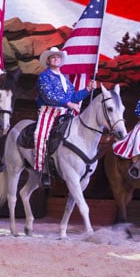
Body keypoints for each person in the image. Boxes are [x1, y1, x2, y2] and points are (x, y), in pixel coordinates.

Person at [33, 47, 96, 187]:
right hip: (49, 111)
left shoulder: (65, 80)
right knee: (40, 135)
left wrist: (87, 89)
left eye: (58, 57)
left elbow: (73, 96)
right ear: (48, 61)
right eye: (53, 57)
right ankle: (43, 170)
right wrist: (69, 103)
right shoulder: (44, 76)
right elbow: (48, 96)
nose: (56, 58)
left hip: (65, 113)